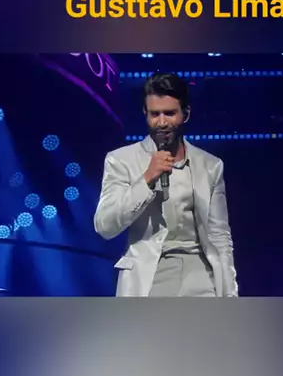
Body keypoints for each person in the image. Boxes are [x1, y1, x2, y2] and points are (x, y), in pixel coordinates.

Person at [94, 72, 238, 297]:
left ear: (185, 114)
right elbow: (105, 226)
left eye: (170, 113)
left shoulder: (210, 165)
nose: (161, 122)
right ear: (145, 113)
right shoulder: (121, 160)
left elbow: (219, 235)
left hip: (201, 274)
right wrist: (146, 179)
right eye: (155, 114)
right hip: (149, 274)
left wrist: (229, 294)